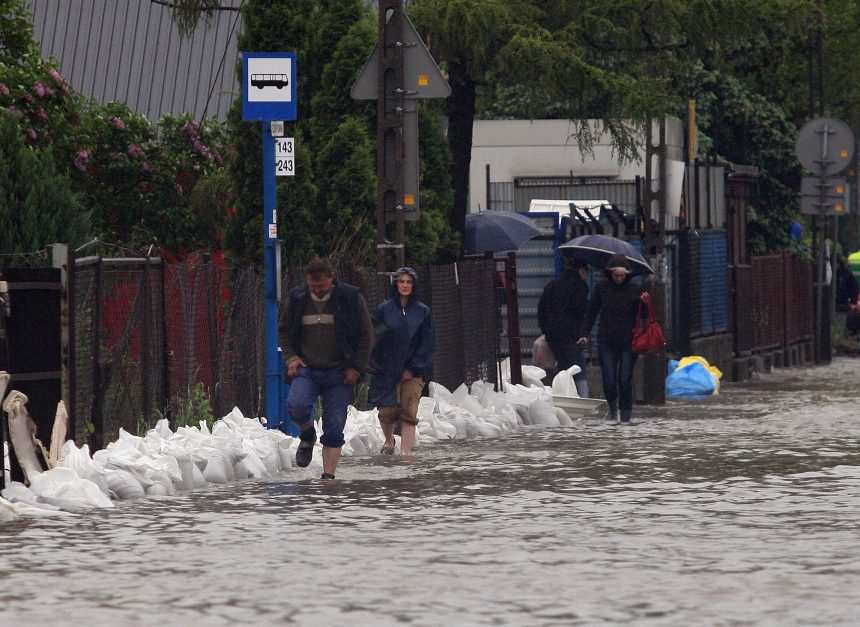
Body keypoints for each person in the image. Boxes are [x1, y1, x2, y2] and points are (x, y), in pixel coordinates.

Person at [279, 258, 373, 480]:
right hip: (307, 369)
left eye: (321, 286)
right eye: (313, 286)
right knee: (297, 405)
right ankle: (307, 434)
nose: (317, 291)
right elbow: (284, 331)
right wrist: (291, 358)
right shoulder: (297, 298)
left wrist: (357, 368)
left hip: (340, 372)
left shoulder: (351, 298)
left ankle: (328, 478)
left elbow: (366, 336)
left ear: (332, 278)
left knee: (334, 426)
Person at [368, 267, 435, 455]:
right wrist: (377, 365)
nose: (405, 285)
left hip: (413, 372)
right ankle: (389, 440)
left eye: (409, 282)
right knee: (387, 411)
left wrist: (413, 368)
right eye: (401, 281)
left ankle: (405, 453)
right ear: (395, 284)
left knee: (409, 412)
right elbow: (375, 339)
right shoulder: (383, 310)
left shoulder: (423, 312)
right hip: (386, 369)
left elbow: (427, 343)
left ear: (414, 285)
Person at [577, 253, 649, 423]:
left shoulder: (635, 290)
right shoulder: (601, 287)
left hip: (629, 342)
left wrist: (644, 303)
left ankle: (625, 417)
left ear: (627, 275)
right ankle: (612, 408)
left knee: (624, 379)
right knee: (609, 379)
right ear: (610, 273)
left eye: (622, 275)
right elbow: (592, 312)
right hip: (606, 340)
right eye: (616, 275)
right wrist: (584, 334)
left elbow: (643, 316)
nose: (618, 279)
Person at [537, 256, 591, 397]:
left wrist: (547, 331)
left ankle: (563, 397)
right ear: (581, 270)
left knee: (563, 368)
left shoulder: (552, 285)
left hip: (554, 335)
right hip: (572, 336)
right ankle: (583, 400)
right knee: (578, 368)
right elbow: (580, 309)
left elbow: (541, 311)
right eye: (586, 272)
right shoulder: (580, 286)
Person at [835, 256, 859, 327]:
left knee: (840, 324)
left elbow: (854, 288)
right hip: (839, 304)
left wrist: (853, 303)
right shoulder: (835, 273)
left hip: (843, 304)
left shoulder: (846, 273)